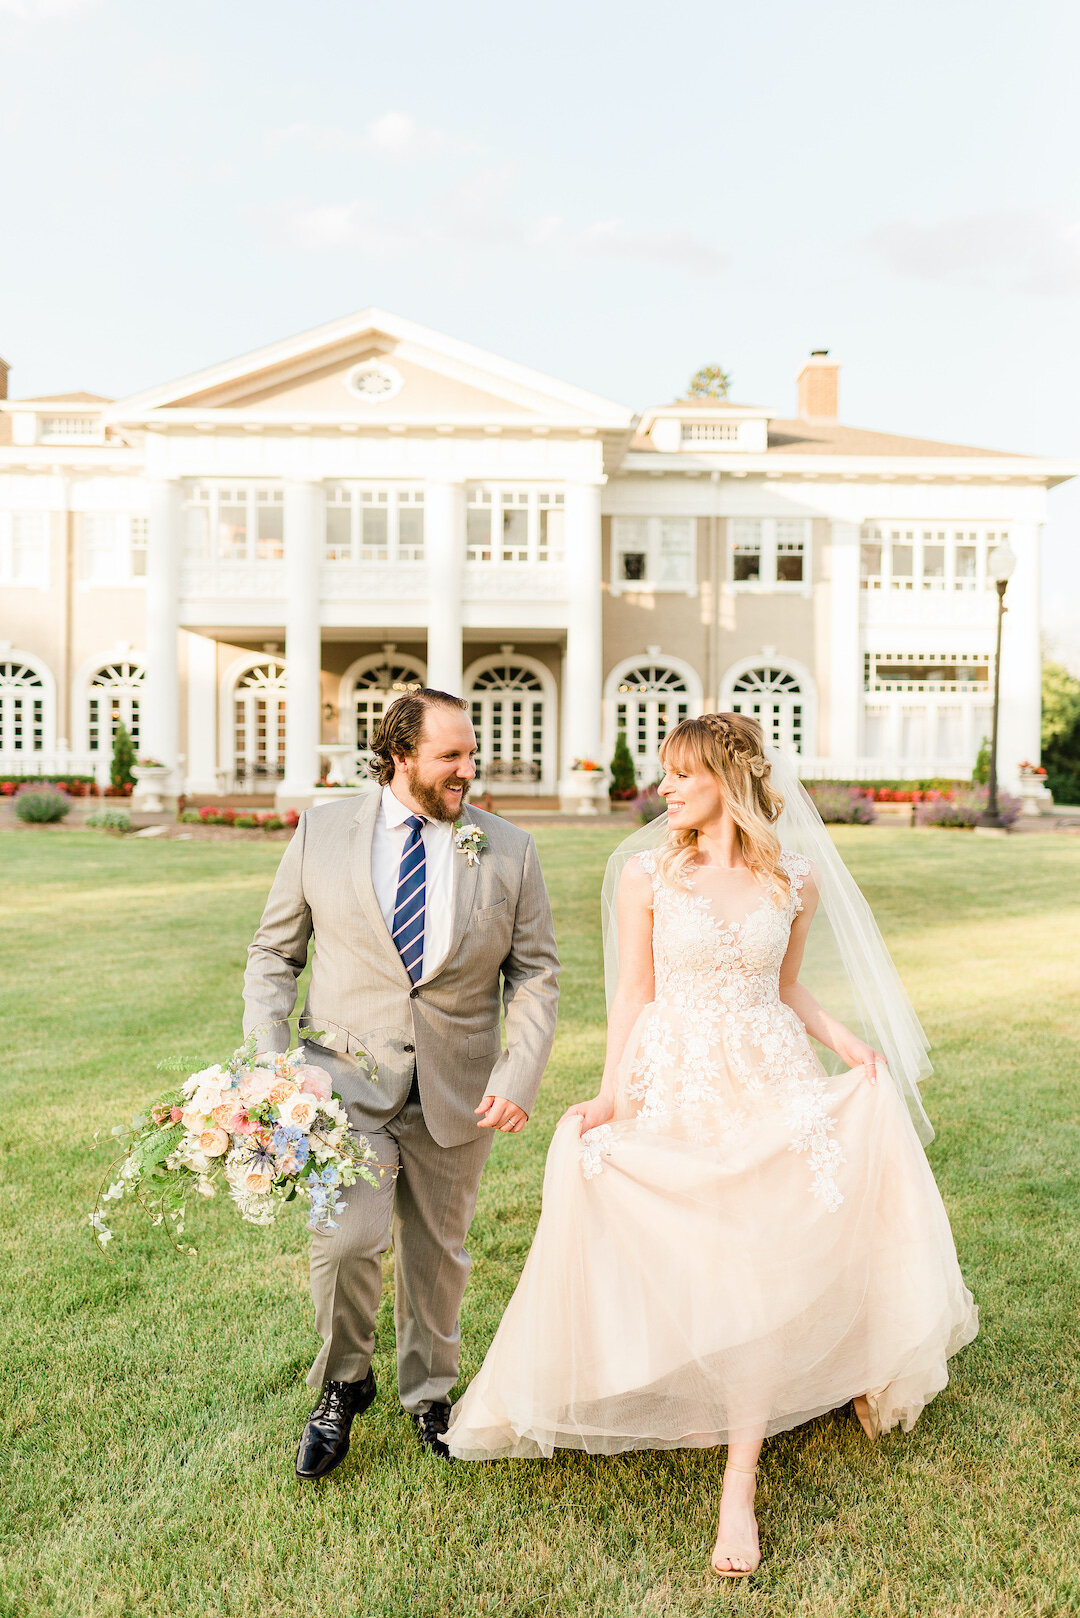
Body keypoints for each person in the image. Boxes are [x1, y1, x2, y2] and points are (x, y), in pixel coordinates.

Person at [446, 712, 978, 1580]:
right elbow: (634, 996)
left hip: (768, 1069)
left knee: (764, 1253)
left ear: (725, 780)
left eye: (681, 775)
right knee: (693, 1243)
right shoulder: (649, 875)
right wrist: (612, 1093)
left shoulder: (793, 879)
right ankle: (713, 1390)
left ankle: (741, 1477)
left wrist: (848, 1047)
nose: (664, 789)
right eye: (664, 775)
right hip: (676, 1071)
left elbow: (791, 985)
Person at [243, 688, 559, 1480]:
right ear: (400, 755)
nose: (468, 770)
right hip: (342, 1084)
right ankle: (345, 1384)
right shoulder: (323, 831)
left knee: (438, 1255)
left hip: (461, 1085)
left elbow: (536, 973)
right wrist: (273, 1067)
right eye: (451, 756)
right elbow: (274, 956)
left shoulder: (508, 848)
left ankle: (430, 1393)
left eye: (472, 754)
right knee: (347, 1240)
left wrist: (520, 1072)